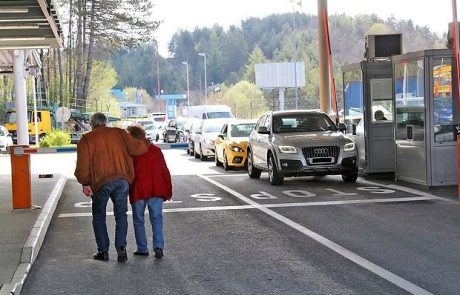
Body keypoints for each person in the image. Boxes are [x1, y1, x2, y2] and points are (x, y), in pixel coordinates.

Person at [74, 112, 148, 263]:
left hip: (100, 182)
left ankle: (103, 251)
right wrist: (146, 142)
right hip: (122, 179)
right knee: (121, 214)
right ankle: (121, 248)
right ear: (106, 122)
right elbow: (137, 149)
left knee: (99, 215)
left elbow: (82, 166)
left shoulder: (87, 139)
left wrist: (85, 183)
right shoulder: (119, 133)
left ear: (91, 124)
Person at [126, 125, 172, 259]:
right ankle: (158, 247)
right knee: (157, 218)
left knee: (138, 219)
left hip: (138, 189)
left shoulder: (132, 152)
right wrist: (167, 189)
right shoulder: (156, 150)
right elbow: (164, 170)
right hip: (156, 188)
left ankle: (142, 248)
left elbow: (128, 171)